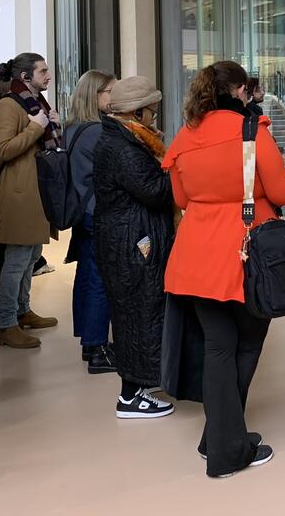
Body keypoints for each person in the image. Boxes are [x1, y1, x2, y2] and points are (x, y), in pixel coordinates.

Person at [162, 61, 285, 478]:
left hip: (195, 255)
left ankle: (217, 438)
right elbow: (282, 191)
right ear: (239, 91)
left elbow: (180, 198)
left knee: (218, 348)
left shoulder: (185, 135)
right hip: (246, 253)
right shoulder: (252, 131)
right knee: (248, 344)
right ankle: (228, 451)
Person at [94, 76, 176, 417]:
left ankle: (140, 383)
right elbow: (155, 191)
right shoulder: (124, 148)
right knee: (138, 315)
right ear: (136, 112)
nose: (154, 118)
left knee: (138, 313)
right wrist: (177, 173)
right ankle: (130, 396)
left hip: (127, 238)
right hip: (132, 243)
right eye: (151, 111)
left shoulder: (123, 138)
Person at [0, 53, 60, 349]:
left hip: (36, 190)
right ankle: (6, 324)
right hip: (19, 192)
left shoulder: (36, 104)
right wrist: (36, 127)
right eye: (43, 71)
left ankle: (23, 311)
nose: (48, 75)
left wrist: (53, 125)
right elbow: (2, 150)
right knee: (17, 260)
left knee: (31, 256)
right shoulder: (8, 106)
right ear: (25, 77)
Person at [65, 69, 117, 373]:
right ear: (94, 95)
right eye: (110, 91)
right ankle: (97, 348)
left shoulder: (73, 128)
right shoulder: (99, 132)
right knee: (100, 279)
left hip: (82, 212)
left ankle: (89, 342)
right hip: (98, 212)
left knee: (86, 274)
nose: (115, 96)